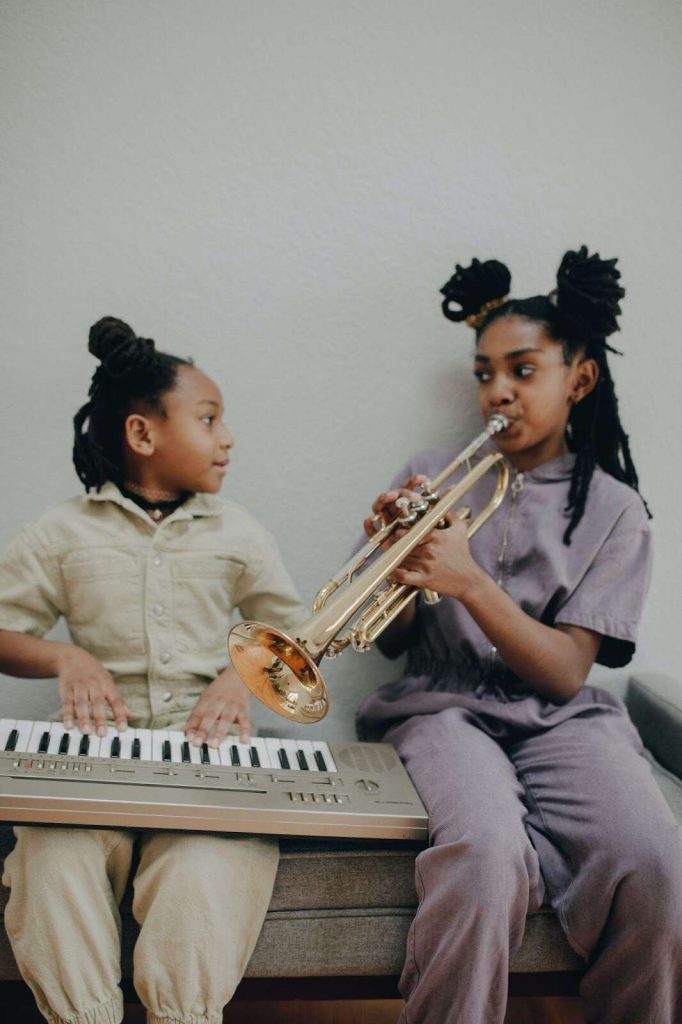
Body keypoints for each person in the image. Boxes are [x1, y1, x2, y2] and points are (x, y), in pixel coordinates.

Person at [356, 248, 682, 1024]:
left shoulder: (615, 509)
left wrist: (468, 579)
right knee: (486, 857)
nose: (496, 391)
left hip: (562, 716)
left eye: (522, 370)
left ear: (580, 378)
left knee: (657, 861)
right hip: (442, 706)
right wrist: (393, 570)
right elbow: (390, 641)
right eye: (482, 372)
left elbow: (567, 673)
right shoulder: (434, 473)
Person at [0, 317, 307, 1024]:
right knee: (53, 860)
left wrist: (244, 675)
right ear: (143, 435)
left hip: (207, 749)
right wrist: (66, 657)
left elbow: (297, 631)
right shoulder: (61, 530)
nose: (227, 437)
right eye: (209, 419)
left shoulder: (238, 531)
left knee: (205, 872)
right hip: (91, 746)